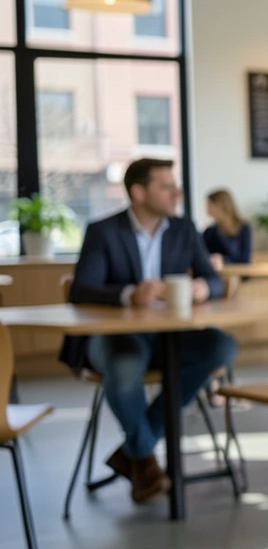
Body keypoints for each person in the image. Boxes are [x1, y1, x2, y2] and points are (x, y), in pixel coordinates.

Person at [60, 158, 239, 504]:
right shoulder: (103, 231)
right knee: (127, 363)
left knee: (222, 346)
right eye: (166, 186)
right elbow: (80, 290)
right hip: (114, 338)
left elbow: (214, 280)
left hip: (168, 336)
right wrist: (129, 293)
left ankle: (136, 451)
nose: (177, 193)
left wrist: (203, 287)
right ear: (138, 193)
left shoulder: (183, 229)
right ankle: (143, 457)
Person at [201, 188, 252, 269]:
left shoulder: (244, 228)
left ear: (219, 206)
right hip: (217, 276)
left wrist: (223, 259)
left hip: (239, 274)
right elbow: (202, 256)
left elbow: (244, 260)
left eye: (210, 205)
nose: (207, 209)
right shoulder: (209, 232)